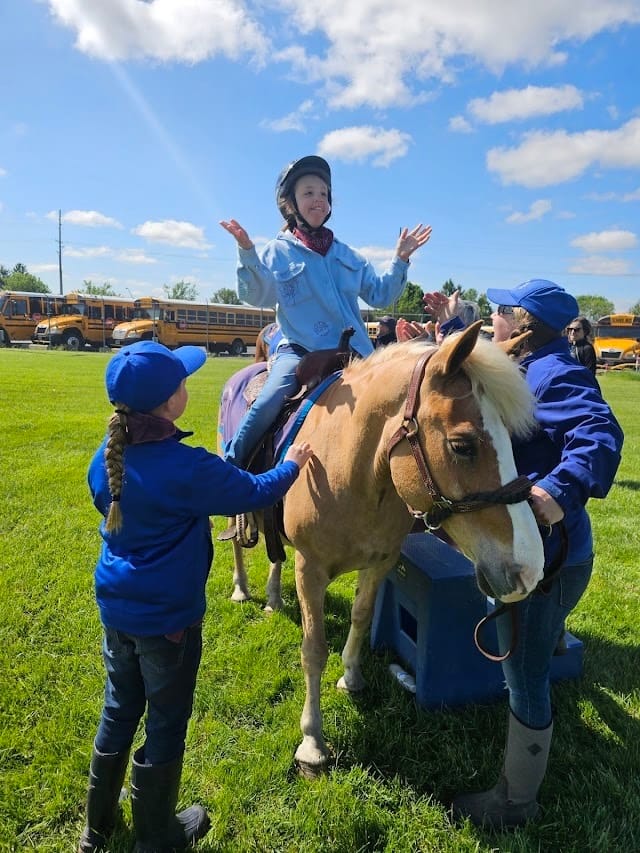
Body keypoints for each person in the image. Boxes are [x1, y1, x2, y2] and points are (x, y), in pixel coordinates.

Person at [399, 280, 624, 828]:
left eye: (500, 311)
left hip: (549, 559)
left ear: (523, 325)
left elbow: (600, 432)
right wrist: (454, 326)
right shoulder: (529, 362)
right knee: (535, 650)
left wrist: (556, 492)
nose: (493, 320)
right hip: (550, 553)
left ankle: (514, 802)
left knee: (524, 677)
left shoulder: (555, 372)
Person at [79, 340, 313, 853]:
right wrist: (293, 461)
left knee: (119, 709)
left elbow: (106, 498)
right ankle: (158, 836)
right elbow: (255, 492)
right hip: (169, 622)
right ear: (170, 402)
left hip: (117, 609)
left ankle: (96, 830)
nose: (188, 387)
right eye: (183, 382)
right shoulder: (188, 467)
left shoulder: (107, 458)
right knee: (165, 720)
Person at [220, 154, 431, 467]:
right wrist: (248, 253)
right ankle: (230, 469)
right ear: (290, 203)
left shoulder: (347, 254)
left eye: (323, 193)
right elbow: (256, 293)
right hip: (301, 351)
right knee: (270, 398)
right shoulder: (276, 252)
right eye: (308, 193)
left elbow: (380, 294)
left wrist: (400, 259)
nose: (317, 199)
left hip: (359, 354)